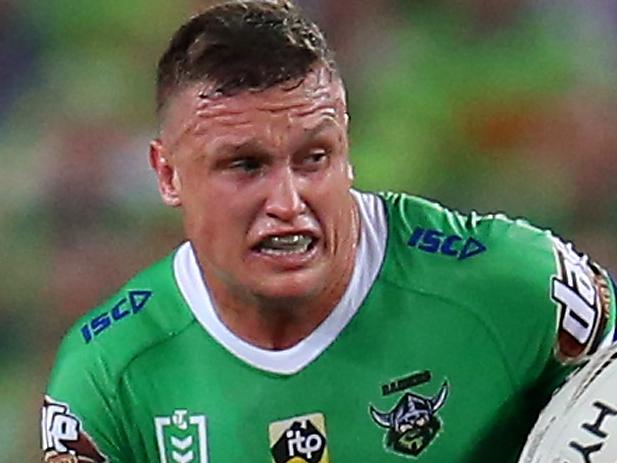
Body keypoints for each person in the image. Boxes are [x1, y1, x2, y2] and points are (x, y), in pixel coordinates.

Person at [41, 1, 617, 462]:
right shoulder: (109, 382)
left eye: (314, 157)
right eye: (246, 166)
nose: (289, 203)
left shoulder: (510, 283)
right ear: (167, 174)